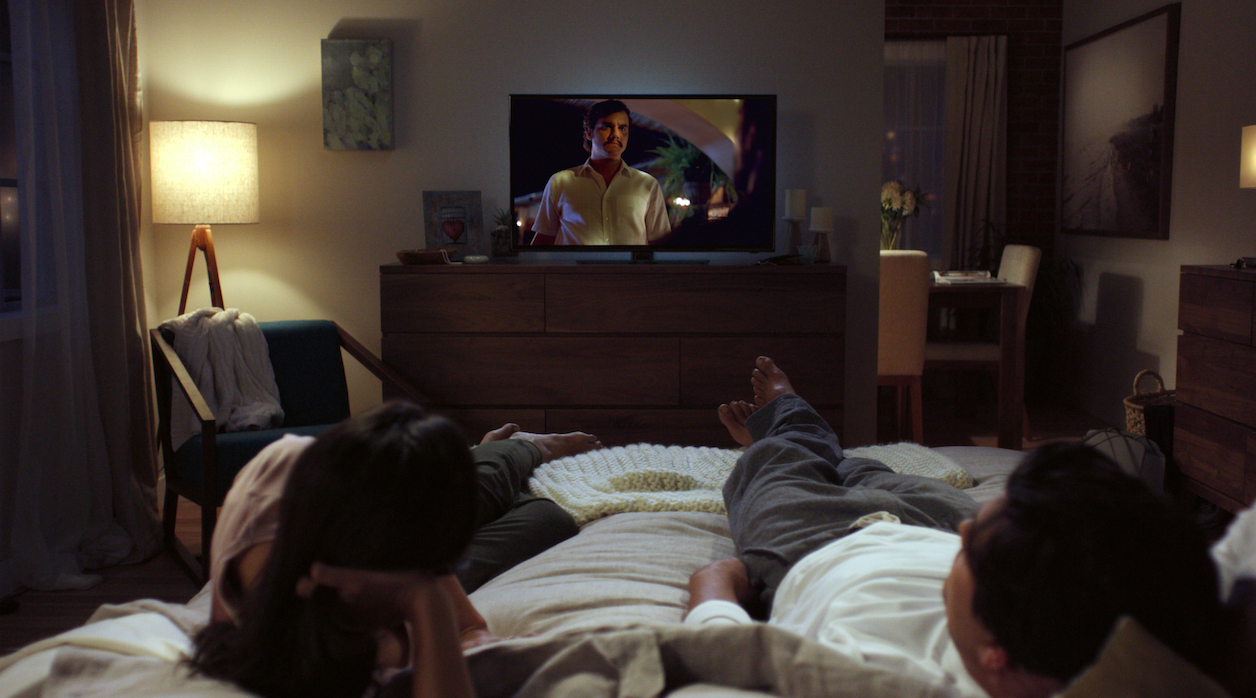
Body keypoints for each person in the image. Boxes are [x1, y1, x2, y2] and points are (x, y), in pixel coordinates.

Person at [687, 357, 1223, 698]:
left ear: (994, 655)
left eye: (975, 547)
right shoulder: (1097, 629)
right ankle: (809, 438)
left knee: (775, 463)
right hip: (957, 531)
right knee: (869, 469)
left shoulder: (879, 679)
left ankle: (786, 415)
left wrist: (716, 586)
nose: (971, 537)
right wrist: (982, 535)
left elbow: (724, 657)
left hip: (817, 552)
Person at [193, 401, 601, 698]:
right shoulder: (276, 602)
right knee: (550, 519)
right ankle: (483, 463)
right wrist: (427, 604)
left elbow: (468, 627)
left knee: (486, 482)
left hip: (365, 505)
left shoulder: (334, 515)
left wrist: (463, 628)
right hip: (367, 522)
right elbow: (454, 623)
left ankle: (530, 447)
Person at [529, 99, 671, 246]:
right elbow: (543, 241)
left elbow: (659, 243)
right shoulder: (560, 182)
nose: (615, 134)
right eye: (606, 127)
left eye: (622, 128)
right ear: (589, 133)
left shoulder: (647, 184)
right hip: (576, 269)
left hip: (629, 269)